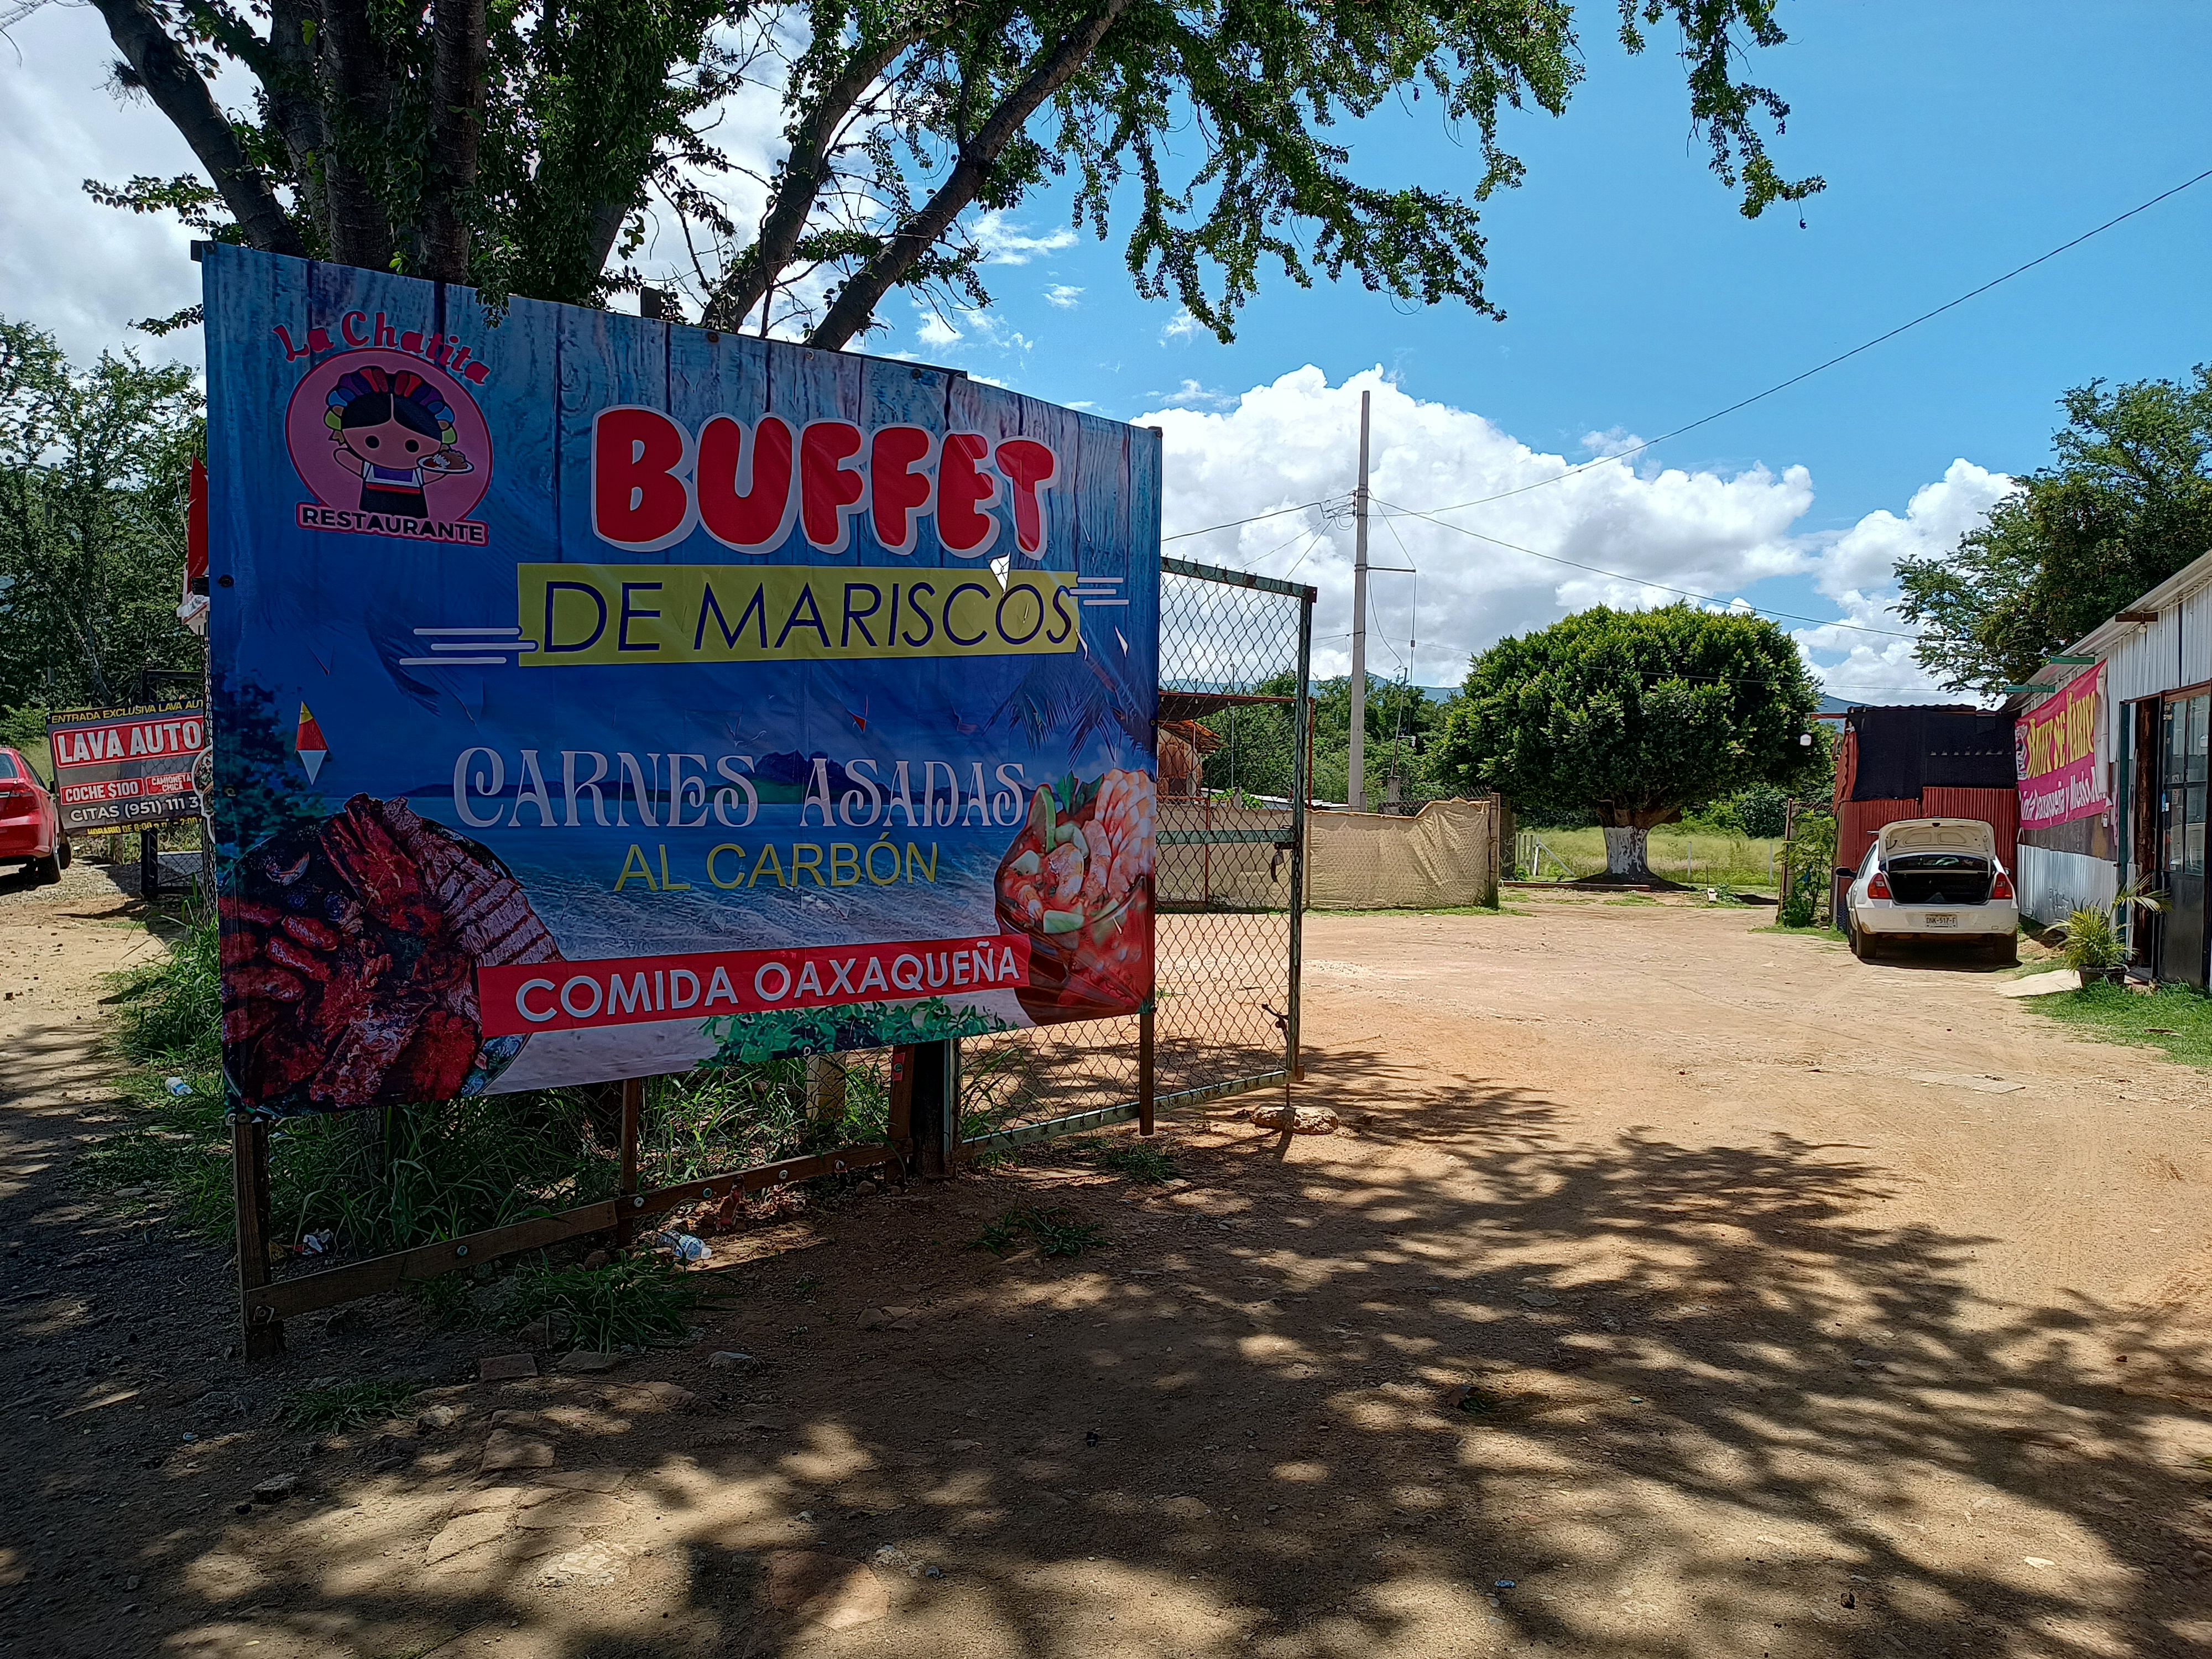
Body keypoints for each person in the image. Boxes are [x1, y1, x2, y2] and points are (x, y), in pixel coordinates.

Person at [324, 366, 472, 518]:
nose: (391, 451)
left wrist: (447, 465)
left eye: (412, 446)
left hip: (414, 516)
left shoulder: (416, 474)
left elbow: (343, 456)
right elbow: (342, 456)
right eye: (372, 442)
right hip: (370, 514)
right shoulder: (371, 469)